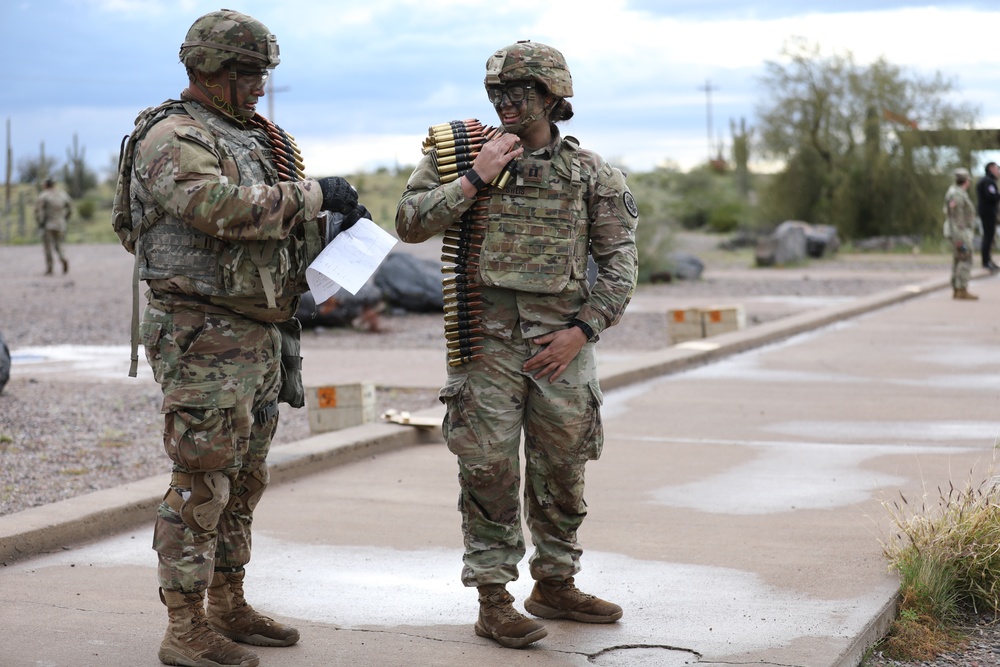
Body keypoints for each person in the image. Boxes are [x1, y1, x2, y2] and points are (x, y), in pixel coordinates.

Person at [115, 9, 368, 667]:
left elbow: (271, 228)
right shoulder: (171, 137)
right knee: (201, 480)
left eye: (261, 73)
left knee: (244, 478)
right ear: (208, 69)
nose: (260, 86)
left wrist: (334, 225)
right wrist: (313, 194)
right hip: (202, 334)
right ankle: (184, 625)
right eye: (248, 73)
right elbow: (218, 207)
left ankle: (228, 602)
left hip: (257, 331)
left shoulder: (251, 137)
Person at [395, 40, 639, 649]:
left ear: (554, 97)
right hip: (487, 345)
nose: (505, 102)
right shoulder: (461, 155)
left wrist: (582, 331)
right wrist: (476, 177)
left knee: (564, 467)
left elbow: (619, 264)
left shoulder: (591, 173)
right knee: (489, 470)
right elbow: (409, 222)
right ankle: (493, 598)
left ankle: (555, 582)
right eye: (497, 91)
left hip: (562, 347)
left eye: (520, 91)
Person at [945, 168, 979, 300]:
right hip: (960, 232)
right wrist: (961, 237)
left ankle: (957, 288)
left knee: (958, 259)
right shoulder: (957, 194)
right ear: (966, 181)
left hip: (957, 231)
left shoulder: (955, 192)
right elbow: (957, 218)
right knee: (966, 258)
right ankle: (961, 288)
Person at [34, 177, 72, 275]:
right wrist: (65, 218)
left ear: (46, 185)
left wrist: (41, 222)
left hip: (48, 225)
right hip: (60, 224)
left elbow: (39, 211)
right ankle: (63, 259)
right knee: (59, 245)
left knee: (48, 248)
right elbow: (70, 207)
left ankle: (50, 268)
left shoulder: (43, 196)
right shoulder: (62, 194)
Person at [975, 161, 1000, 272]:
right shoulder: (988, 181)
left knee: (990, 237)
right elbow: (992, 196)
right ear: (991, 168)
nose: (998, 172)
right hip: (988, 213)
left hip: (988, 212)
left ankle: (988, 260)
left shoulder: (987, 181)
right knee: (988, 237)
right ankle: (986, 262)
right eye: (997, 169)